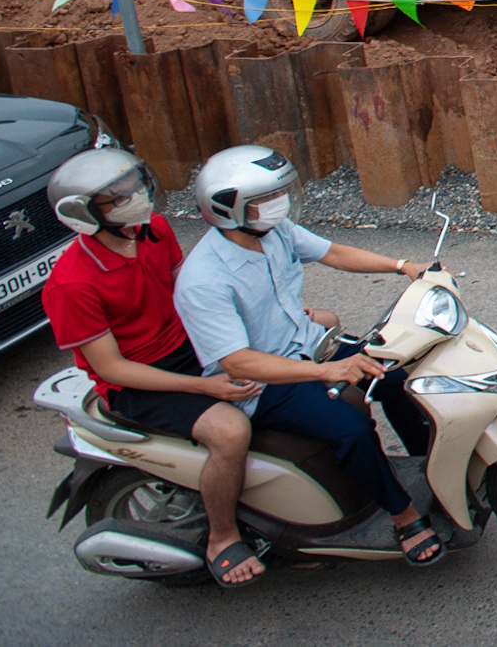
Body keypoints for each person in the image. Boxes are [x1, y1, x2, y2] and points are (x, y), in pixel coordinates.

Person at [173, 145, 447, 567]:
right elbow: (238, 363)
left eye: (279, 194)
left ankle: (427, 467)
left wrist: (404, 266)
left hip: (308, 346)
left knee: (400, 375)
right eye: (265, 199)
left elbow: (333, 253)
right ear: (228, 208)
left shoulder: (273, 232)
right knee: (351, 428)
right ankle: (404, 516)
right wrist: (326, 370)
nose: (278, 205)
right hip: (264, 381)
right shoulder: (204, 280)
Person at [39, 149, 268, 587]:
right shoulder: (72, 284)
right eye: (117, 197)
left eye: (135, 186)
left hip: (188, 347)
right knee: (230, 432)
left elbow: (191, 291)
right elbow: (114, 369)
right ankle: (222, 537)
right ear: (83, 214)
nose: (135, 198)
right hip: (139, 381)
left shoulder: (154, 230)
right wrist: (206, 388)